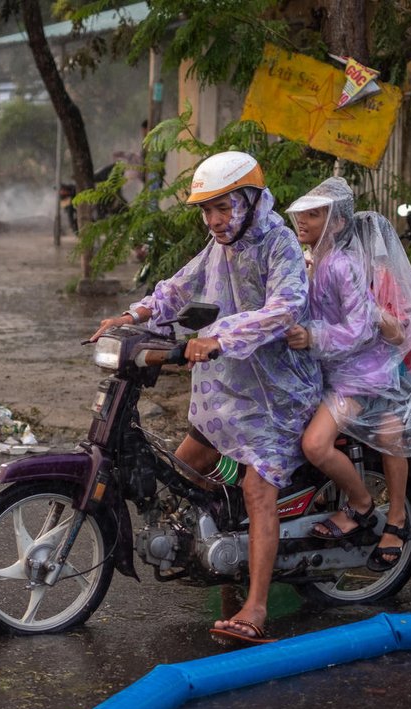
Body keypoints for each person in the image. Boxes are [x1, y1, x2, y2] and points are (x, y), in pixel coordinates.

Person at [90, 151, 322, 644]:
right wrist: (133, 315)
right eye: (206, 210)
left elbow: (285, 309)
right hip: (226, 389)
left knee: (258, 491)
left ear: (251, 200)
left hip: (275, 395)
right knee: (182, 476)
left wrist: (221, 335)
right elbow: (180, 287)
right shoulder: (221, 246)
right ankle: (222, 556)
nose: (214, 220)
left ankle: (255, 607)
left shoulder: (279, 244)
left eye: (224, 207)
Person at [285, 178, 411, 570]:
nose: (301, 220)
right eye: (301, 212)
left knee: (317, 445)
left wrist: (313, 336)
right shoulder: (311, 261)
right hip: (329, 369)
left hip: (360, 377)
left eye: (314, 214)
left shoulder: (342, 265)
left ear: (337, 223)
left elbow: (360, 328)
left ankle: (363, 503)